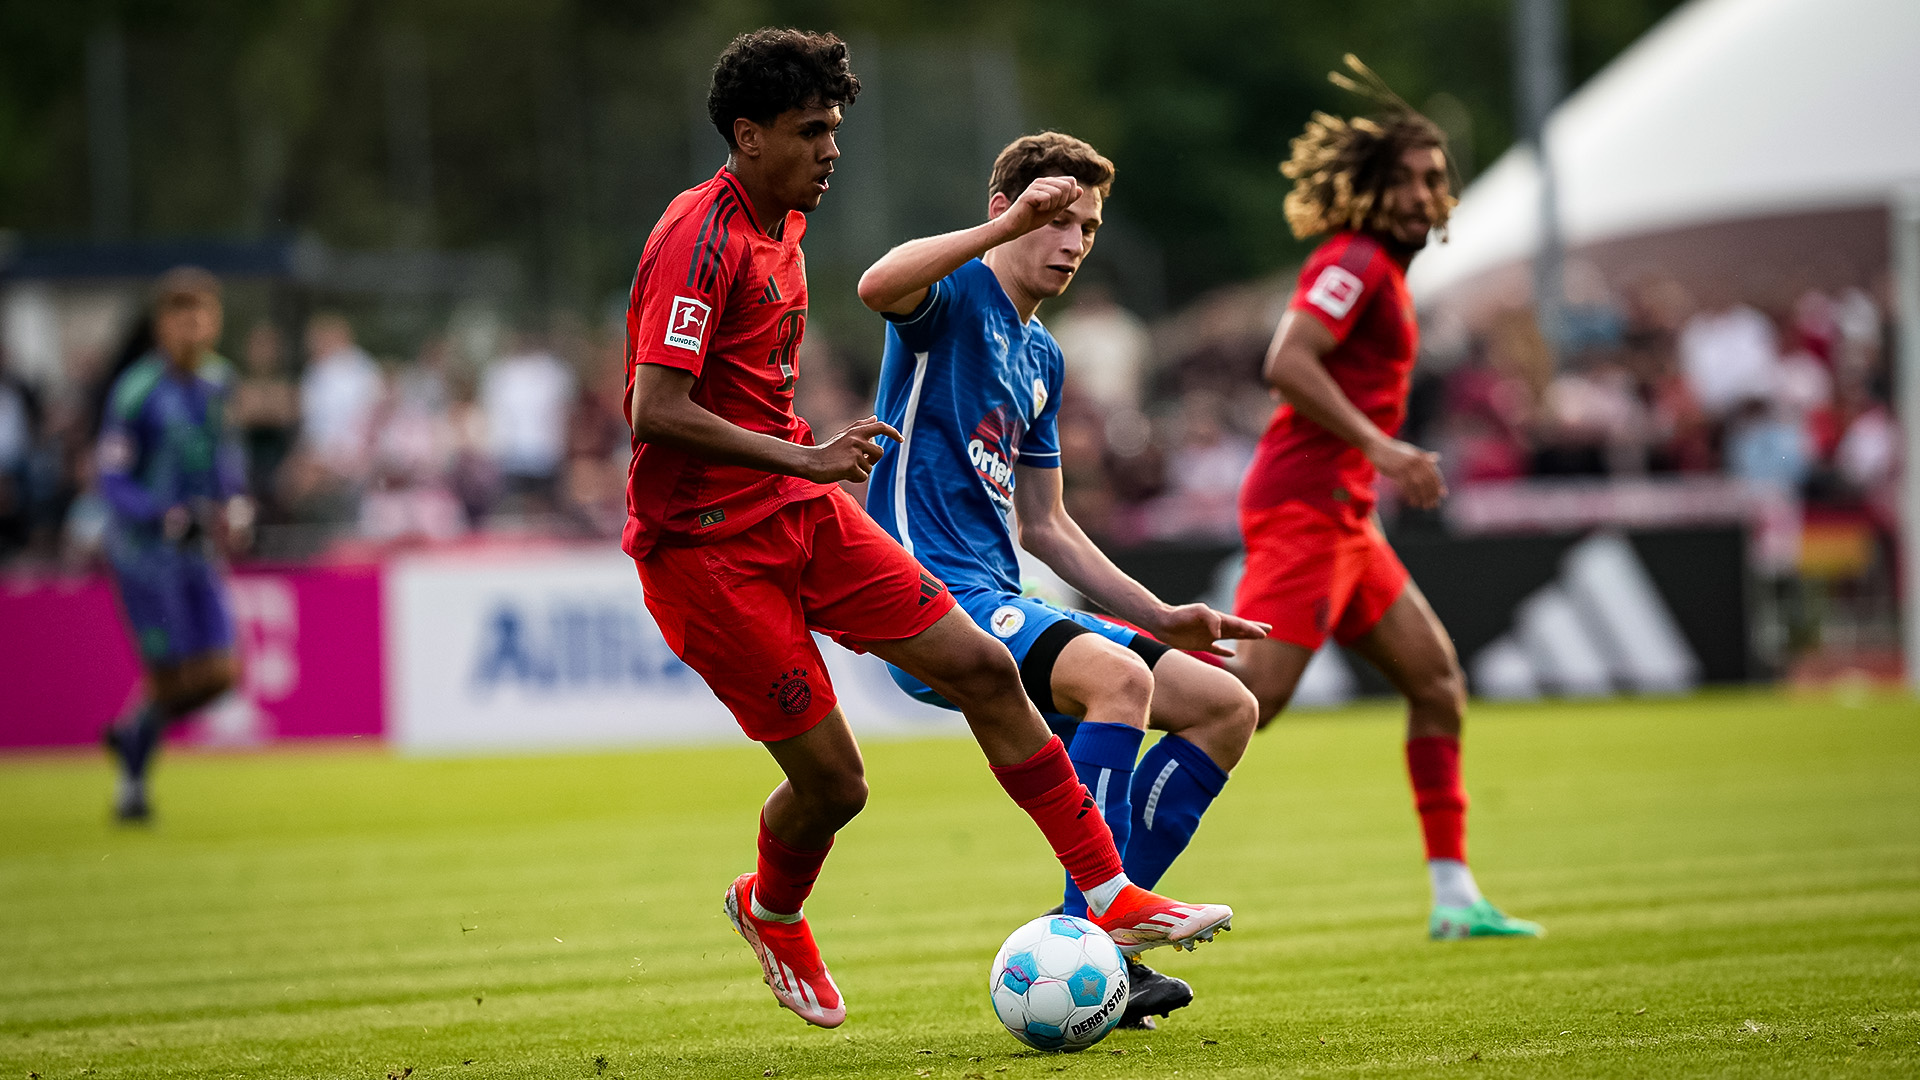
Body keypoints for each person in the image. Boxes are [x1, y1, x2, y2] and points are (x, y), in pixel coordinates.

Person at [621, 30, 1232, 1030]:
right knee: (836, 787)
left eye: (836, 130)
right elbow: (656, 409)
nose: (831, 151)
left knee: (986, 671)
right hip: (704, 549)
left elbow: (1050, 522)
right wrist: (811, 458)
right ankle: (771, 908)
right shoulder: (700, 233)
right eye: (812, 131)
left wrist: (805, 473)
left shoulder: (785, 228)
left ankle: (1108, 899)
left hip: (800, 516)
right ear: (748, 134)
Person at [856, 132, 1266, 1029]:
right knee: (1119, 681)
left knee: (1224, 706)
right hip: (927, 597)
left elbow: (1049, 525)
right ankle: (1101, 927)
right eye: (1058, 218)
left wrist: (1162, 613)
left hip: (999, 592)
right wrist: (1001, 223)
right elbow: (877, 285)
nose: (1076, 241)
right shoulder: (954, 294)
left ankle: (1093, 945)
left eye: (1089, 225)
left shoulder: (1042, 357)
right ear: (1013, 212)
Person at [1228, 57, 1541, 940]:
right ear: (1368, 191)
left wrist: (1371, 460)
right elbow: (1286, 359)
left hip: (1347, 515)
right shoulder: (1355, 258)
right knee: (1244, 704)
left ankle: (1453, 899)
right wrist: (1380, 444)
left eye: (1434, 178)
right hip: (1306, 503)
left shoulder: (1386, 269)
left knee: (1437, 683)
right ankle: (1102, 841)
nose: (1423, 193)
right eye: (1403, 178)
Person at [97, 268, 253, 822]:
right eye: (183, 317)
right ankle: (133, 789)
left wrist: (235, 503)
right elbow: (111, 478)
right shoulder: (137, 390)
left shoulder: (219, 383)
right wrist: (159, 515)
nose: (195, 328)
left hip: (196, 551)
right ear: (163, 325)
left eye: (204, 316)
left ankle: (130, 734)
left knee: (223, 672)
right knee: (170, 676)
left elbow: (224, 458)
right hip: (144, 557)